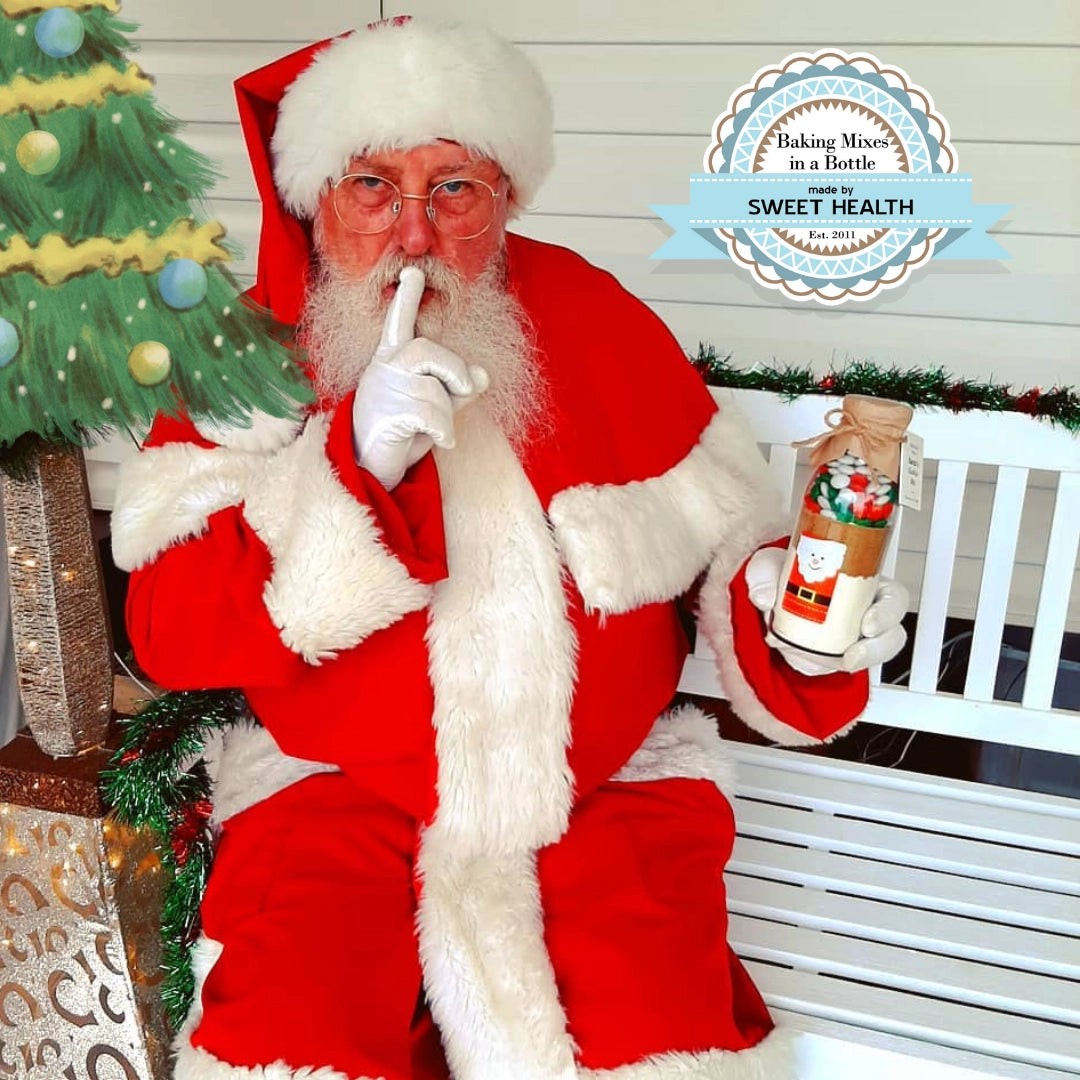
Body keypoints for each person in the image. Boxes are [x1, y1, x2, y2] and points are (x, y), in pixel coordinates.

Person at [111, 18, 907, 1080]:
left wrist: (788, 618)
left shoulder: (596, 316)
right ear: (314, 197)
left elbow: (735, 556)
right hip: (333, 785)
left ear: (506, 198)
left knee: (658, 1039)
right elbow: (170, 633)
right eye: (371, 187)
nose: (413, 235)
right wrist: (352, 468)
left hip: (605, 790)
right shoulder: (241, 360)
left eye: (454, 189)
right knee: (290, 1039)